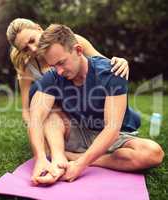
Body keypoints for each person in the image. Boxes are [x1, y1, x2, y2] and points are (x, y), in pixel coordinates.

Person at [28, 24, 164, 186]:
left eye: (62, 63)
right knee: (49, 115)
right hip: (79, 131)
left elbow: (112, 129)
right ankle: (59, 159)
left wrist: (80, 164)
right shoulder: (53, 77)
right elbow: (35, 118)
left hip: (111, 135)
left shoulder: (110, 72)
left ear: (78, 50)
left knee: (153, 153)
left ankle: (76, 157)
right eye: (53, 66)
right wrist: (41, 159)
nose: (59, 71)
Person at [6, 18, 130, 126]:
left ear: (39, 29)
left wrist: (121, 62)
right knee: (41, 92)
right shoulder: (26, 65)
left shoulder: (71, 42)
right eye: (25, 48)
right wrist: (34, 128)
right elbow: (26, 109)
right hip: (51, 106)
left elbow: (103, 66)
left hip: (76, 97)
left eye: (32, 40)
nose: (33, 49)